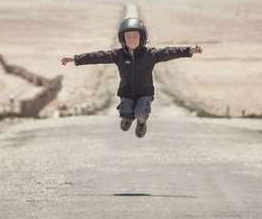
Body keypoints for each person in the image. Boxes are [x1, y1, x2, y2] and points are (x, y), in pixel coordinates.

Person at [61, 17, 201, 138]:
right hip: (126, 92)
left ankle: (141, 123)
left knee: (140, 112)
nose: (132, 39)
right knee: (126, 114)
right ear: (123, 39)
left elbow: (169, 52)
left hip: (145, 93)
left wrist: (189, 50)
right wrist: (76, 59)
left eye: (135, 36)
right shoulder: (118, 55)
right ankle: (127, 118)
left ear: (142, 37)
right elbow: (97, 56)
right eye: (128, 36)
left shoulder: (150, 54)